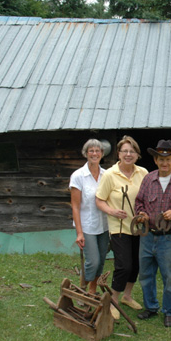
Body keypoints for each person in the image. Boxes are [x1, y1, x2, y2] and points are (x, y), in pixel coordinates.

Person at [134, 140, 171, 327]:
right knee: (145, 275)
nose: (164, 162)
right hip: (148, 236)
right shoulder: (148, 179)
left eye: (168, 159)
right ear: (156, 160)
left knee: (169, 276)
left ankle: (169, 312)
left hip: (169, 238)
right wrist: (141, 214)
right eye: (160, 159)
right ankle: (151, 307)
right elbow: (139, 202)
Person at [96, 135, 148, 315]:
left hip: (139, 228)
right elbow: (99, 200)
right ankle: (113, 300)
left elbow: (149, 198)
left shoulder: (143, 173)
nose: (128, 154)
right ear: (118, 153)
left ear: (137, 154)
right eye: (125, 151)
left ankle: (127, 296)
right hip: (119, 228)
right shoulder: (110, 175)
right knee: (123, 265)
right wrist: (112, 211)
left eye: (132, 151)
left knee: (136, 265)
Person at [69, 139, 109, 295]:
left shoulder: (106, 175)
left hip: (104, 225)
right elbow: (75, 206)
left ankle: (91, 289)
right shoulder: (78, 176)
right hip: (87, 226)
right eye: (91, 150)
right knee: (93, 261)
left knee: (101, 262)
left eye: (97, 150)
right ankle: (82, 288)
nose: (94, 153)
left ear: (102, 154)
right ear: (85, 154)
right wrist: (79, 232)